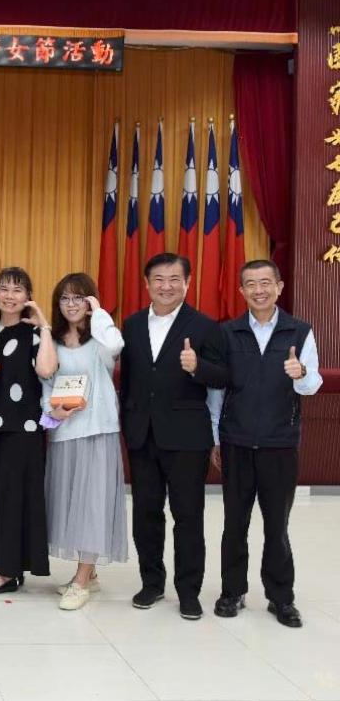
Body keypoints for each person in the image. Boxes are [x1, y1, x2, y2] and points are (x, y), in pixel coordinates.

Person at [196, 260, 322, 628]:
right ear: (241, 291)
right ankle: (232, 592)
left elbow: (312, 385)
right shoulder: (228, 332)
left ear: (279, 287)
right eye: (250, 284)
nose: (259, 290)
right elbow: (217, 391)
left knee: (276, 525)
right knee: (234, 524)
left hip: (279, 443)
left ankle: (281, 597)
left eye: (266, 283)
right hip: (235, 442)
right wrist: (216, 438)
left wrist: (300, 373)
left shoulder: (299, 331)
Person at [120, 252, 225, 620]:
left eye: (174, 279)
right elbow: (129, 380)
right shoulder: (132, 325)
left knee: (188, 516)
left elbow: (223, 377)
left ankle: (188, 591)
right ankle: (152, 583)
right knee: (146, 514)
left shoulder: (206, 326)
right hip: (141, 435)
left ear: (188, 283)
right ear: (147, 284)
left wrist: (199, 368)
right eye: (159, 279)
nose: (166, 286)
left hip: (187, 438)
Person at [41, 274, 128, 611]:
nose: (71, 304)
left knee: (92, 505)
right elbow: (46, 383)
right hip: (65, 433)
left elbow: (116, 345)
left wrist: (99, 312)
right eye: (65, 298)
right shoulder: (54, 341)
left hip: (97, 432)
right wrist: (52, 414)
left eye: (79, 297)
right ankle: (88, 574)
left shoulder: (100, 341)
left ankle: (81, 581)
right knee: (70, 506)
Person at [0, 268, 57, 596]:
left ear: (28, 296)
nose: (9, 296)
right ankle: (3, 565)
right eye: (4, 289)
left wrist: (44, 325)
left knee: (14, 499)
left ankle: (7, 572)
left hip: (24, 430)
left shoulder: (34, 333)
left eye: (17, 290)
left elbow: (47, 369)